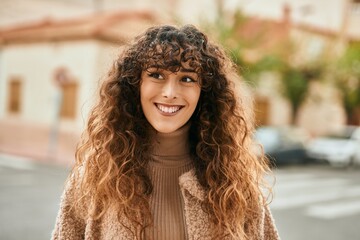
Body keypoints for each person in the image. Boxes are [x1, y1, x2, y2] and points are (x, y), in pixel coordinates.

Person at [52, 24, 280, 240]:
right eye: (157, 75)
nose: (170, 92)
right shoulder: (93, 178)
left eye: (187, 78)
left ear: (205, 92)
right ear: (135, 84)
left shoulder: (237, 186)